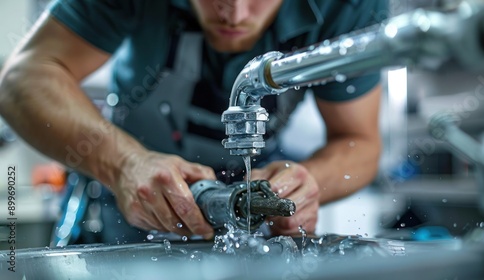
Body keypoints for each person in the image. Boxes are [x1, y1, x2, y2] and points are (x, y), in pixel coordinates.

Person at [0, 0, 387, 244]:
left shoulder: (347, 7)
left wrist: (311, 181)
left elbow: (359, 141)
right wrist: (124, 165)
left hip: (254, 225)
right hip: (117, 206)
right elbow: (22, 79)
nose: (234, 12)